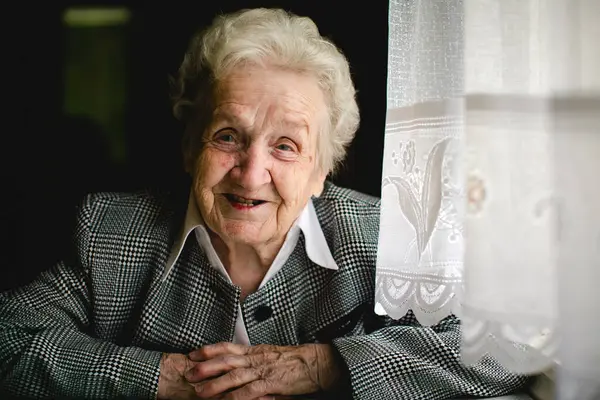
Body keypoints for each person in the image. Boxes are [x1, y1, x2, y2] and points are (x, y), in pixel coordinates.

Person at [0, 8, 528, 400]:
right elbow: (9, 340)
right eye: (228, 136)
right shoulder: (112, 232)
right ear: (189, 147)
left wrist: (328, 365)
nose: (252, 174)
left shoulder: (389, 236)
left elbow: (518, 337)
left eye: (286, 146)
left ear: (323, 171)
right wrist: (165, 379)